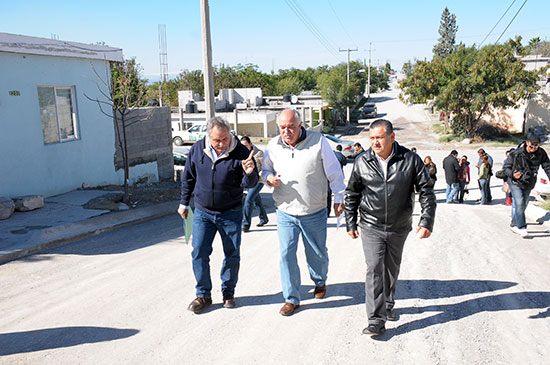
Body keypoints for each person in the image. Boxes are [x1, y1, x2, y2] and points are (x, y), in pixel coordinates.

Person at [344, 119, 436, 337]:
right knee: (374, 268)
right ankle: (375, 320)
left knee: (391, 269)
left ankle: (388, 304)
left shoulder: (410, 159)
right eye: (372, 138)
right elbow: (352, 193)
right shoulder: (362, 161)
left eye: (379, 138)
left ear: (392, 137)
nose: (375, 142)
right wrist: (350, 221)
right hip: (371, 224)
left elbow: (426, 191)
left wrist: (427, 221)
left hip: (398, 225)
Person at [262, 109, 346, 316]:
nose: (287, 131)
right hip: (285, 211)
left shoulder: (318, 142)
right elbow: (265, 170)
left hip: (314, 210)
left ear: (300, 125)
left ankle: (319, 280)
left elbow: (334, 172)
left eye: (291, 126)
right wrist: (268, 178)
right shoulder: (272, 146)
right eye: (282, 127)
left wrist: (339, 198)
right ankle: (291, 298)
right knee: (286, 254)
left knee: (316, 254)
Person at [178, 117, 258, 313]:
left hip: (230, 212)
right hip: (203, 213)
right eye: (216, 140)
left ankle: (228, 292)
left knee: (232, 254)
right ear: (208, 136)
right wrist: (183, 202)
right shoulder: (197, 149)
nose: (221, 144)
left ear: (230, 135)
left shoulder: (241, 152)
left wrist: (249, 172)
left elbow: (251, 183)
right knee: (199, 253)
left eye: (224, 139)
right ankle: (203, 295)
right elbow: (188, 177)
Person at [503, 134, 550, 238]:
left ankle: (513, 224)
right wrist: (512, 174)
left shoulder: (541, 153)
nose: (534, 148)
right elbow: (506, 167)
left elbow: (547, 167)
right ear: (527, 143)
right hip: (515, 182)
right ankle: (522, 227)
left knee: (523, 205)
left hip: (529, 182)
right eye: (532, 146)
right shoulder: (516, 154)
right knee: (519, 203)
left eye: (536, 146)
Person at [240, 136, 269, 232]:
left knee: (248, 200)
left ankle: (245, 224)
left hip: (258, 180)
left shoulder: (259, 153)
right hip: (248, 181)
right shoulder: (241, 154)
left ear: (250, 145)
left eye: (245, 145)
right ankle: (263, 218)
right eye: (242, 145)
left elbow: (265, 168)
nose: (243, 147)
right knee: (257, 200)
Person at [327, 144, 348, 215]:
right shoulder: (342, 156)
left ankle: (327, 211)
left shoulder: (332, 154)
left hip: (330, 175)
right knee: (339, 192)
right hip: (339, 175)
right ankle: (339, 208)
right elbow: (345, 163)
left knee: (328, 193)